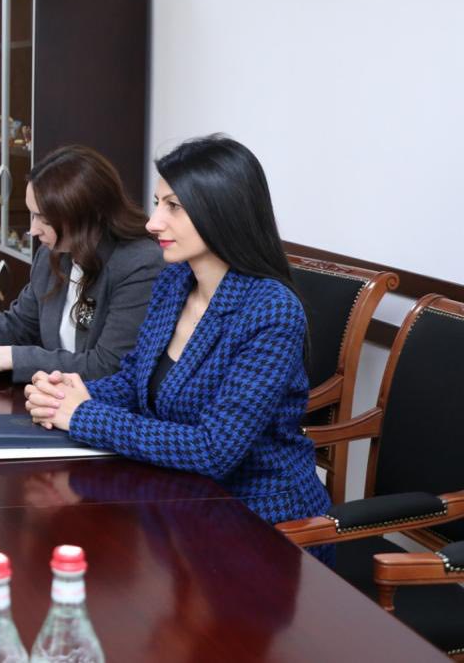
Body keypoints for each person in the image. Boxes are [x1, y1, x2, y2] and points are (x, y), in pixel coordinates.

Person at [24, 134, 330, 527]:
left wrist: (83, 415)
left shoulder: (271, 311)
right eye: (157, 204)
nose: (153, 223)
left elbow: (213, 450)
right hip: (176, 496)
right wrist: (66, 393)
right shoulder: (175, 281)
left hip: (258, 518)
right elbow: (135, 380)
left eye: (173, 207)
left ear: (221, 211)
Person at [0, 144, 163, 382]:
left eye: (43, 219)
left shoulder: (138, 265)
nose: (33, 230)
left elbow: (107, 367)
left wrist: (11, 357)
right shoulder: (52, 254)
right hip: (51, 398)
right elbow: (21, 324)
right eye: (32, 215)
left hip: (97, 406)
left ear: (84, 215)